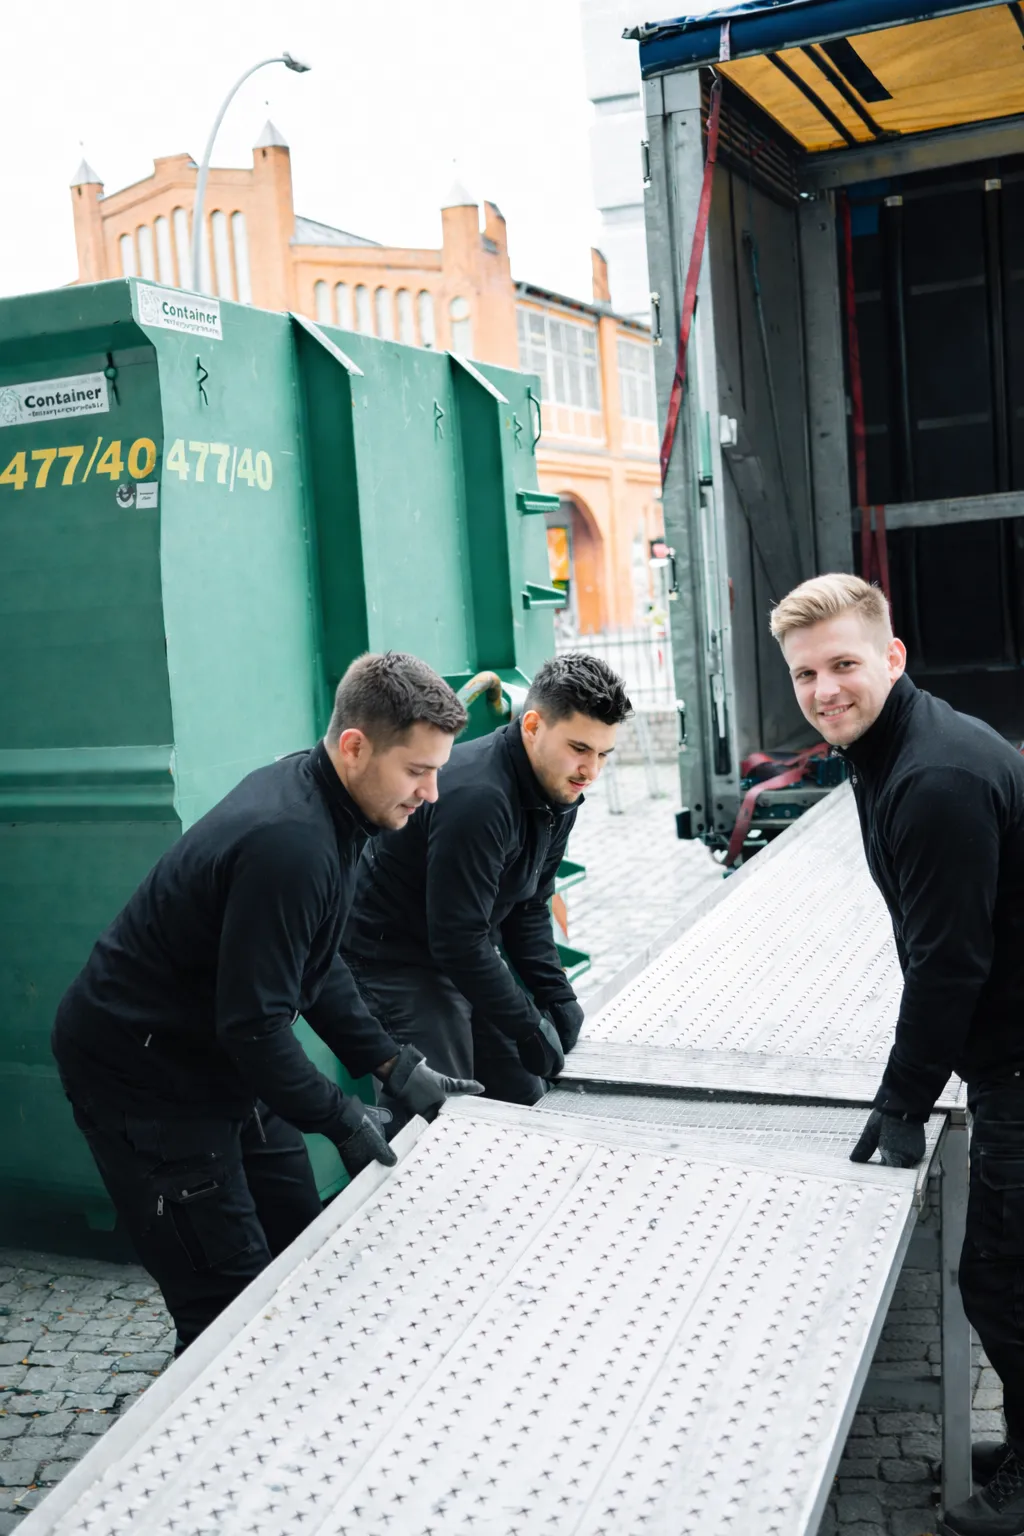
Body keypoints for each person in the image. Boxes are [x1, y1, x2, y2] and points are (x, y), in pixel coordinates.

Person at [52, 652, 483, 1354]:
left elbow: (316, 962)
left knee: (300, 1241)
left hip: (221, 1062)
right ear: (355, 747)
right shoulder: (293, 843)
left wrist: (392, 1064)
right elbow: (254, 1026)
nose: (431, 793)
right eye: (416, 770)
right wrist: (341, 1117)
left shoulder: (333, 807)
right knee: (229, 1313)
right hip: (146, 1082)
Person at [770, 574, 1024, 1536]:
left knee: (1002, 1276)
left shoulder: (934, 779)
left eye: (844, 664)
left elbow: (949, 964)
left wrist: (903, 1102)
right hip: (1004, 1044)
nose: (825, 690)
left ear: (893, 657)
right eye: (805, 674)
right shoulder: (892, 751)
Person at [344, 653, 631, 1120]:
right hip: (393, 957)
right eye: (580, 748)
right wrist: (526, 1025)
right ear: (532, 726)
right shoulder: (479, 798)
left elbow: (528, 904)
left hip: (462, 947)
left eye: (603, 754)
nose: (591, 770)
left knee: (526, 1098)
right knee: (440, 1111)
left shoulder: (559, 789)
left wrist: (556, 996)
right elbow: (457, 938)